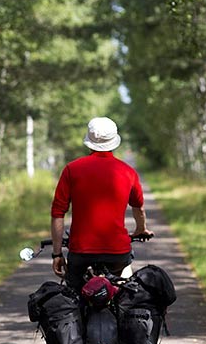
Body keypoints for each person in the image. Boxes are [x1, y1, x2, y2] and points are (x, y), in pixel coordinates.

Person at [50, 116, 153, 293]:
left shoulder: (72, 169)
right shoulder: (128, 172)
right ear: (114, 142)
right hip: (117, 253)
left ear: (89, 142)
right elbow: (139, 209)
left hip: (80, 252)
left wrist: (57, 254)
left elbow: (58, 213)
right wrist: (141, 229)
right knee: (125, 294)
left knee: (73, 295)